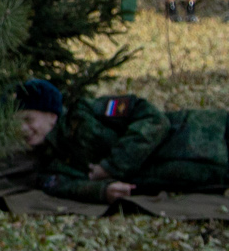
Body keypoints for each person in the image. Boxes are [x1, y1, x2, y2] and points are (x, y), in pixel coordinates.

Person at [15, 78, 229, 202]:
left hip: (209, 132)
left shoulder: (88, 112)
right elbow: (62, 186)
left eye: (28, 119)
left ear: (52, 115)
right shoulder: (47, 165)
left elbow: (154, 120)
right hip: (207, 172)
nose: (23, 129)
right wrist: (102, 191)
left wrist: (112, 167)